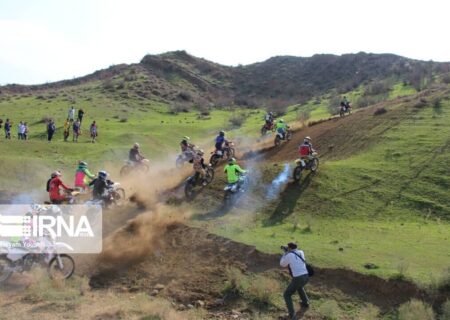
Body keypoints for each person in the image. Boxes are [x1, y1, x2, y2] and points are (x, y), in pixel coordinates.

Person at [280, 242, 310, 319]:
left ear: (289, 248)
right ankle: (305, 302)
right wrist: (288, 252)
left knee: (287, 294)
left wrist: (285, 253)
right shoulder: (301, 252)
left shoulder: (289, 255)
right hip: (306, 276)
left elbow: (282, 264)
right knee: (299, 287)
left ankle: (292, 314)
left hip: (298, 278)